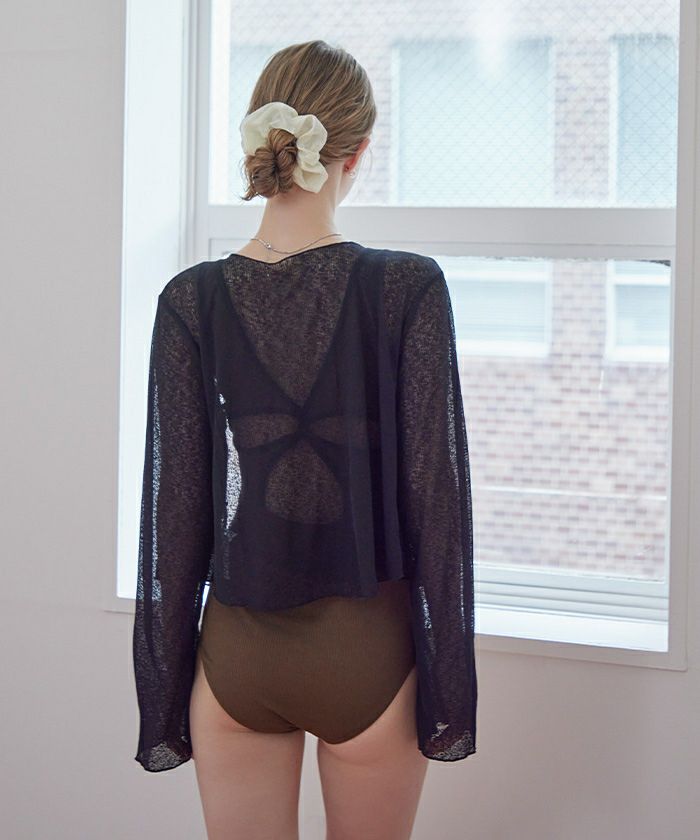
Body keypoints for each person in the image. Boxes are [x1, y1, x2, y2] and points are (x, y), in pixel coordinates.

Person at [132, 38, 477, 840]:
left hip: (235, 656)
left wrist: (166, 695)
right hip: (368, 651)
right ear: (359, 152)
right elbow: (436, 501)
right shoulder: (407, 287)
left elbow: (174, 520)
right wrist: (447, 689)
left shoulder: (189, 299)